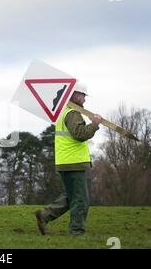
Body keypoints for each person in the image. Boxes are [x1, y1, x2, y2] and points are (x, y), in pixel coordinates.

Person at [35, 83, 102, 236]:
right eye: (83, 96)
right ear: (76, 95)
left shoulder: (63, 112)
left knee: (71, 196)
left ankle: (45, 215)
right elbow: (80, 134)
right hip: (73, 163)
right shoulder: (72, 113)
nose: (84, 100)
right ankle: (77, 232)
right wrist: (94, 124)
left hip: (67, 162)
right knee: (80, 200)